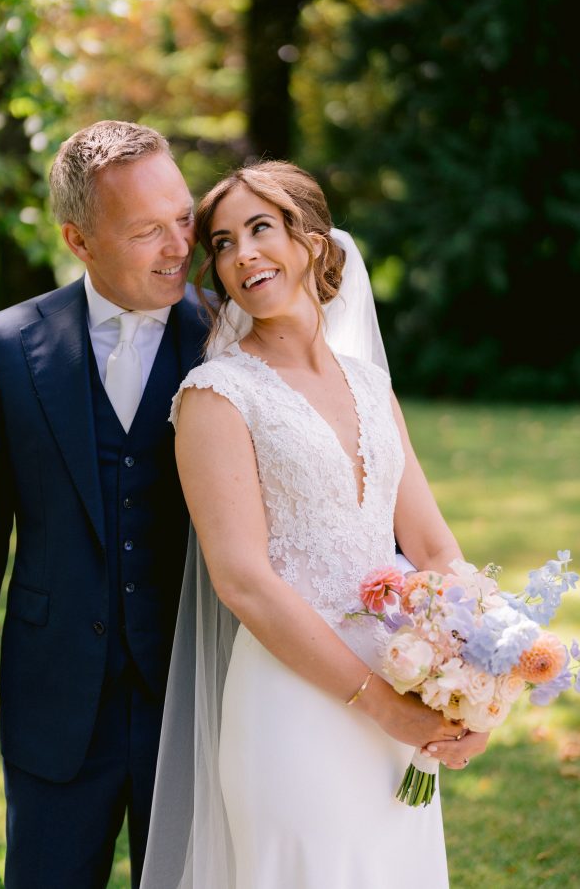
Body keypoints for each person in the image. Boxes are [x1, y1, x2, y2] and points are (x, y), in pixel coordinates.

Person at [140, 161, 489, 888]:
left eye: (260, 228)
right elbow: (242, 582)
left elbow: (430, 545)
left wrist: (479, 674)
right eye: (225, 242)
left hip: (406, 689)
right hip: (292, 707)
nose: (241, 255)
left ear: (314, 242)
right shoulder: (215, 394)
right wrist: (382, 705)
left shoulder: (369, 383)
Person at [0, 120, 211, 888]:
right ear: (80, 241)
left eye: (181, 217)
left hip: (193, 697)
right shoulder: (5, 347)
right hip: (53, 699)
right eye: (146, 230)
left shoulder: (229, 333)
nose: (178, 246)